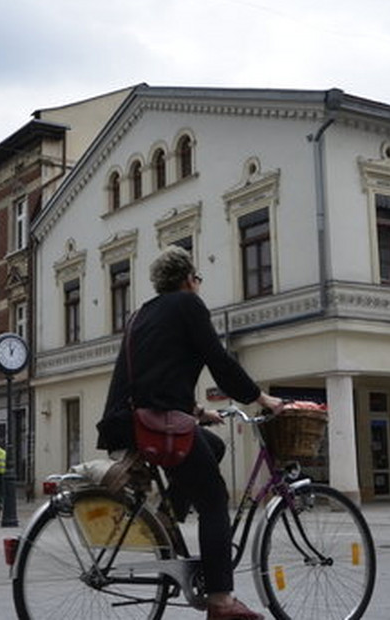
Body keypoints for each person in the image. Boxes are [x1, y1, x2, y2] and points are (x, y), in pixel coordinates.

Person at [97, 246, 287, 620]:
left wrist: (199, 413)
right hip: (156, 424)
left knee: (212, 446)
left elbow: (153, 378)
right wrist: (260, 397)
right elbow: (219, 360)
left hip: (130, 420)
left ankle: (169, 518)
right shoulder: (188, 305)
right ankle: (221, 602)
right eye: (197, 279)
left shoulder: (141, 315)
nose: (198, 285)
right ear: (187, 279)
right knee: (215, 498)